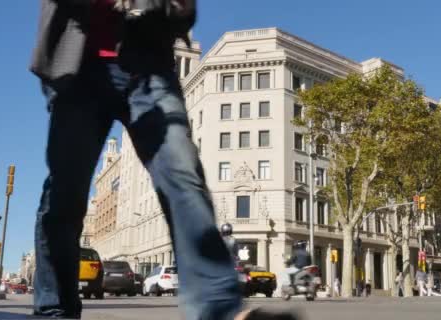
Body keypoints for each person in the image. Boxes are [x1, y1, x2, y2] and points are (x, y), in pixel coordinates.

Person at [30, 1, 299, 319]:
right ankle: (54, 309)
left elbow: (182, 11)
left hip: (150, 64)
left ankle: (220, 310)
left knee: (182, 172)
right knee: (65, 193)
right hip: (79, 67)